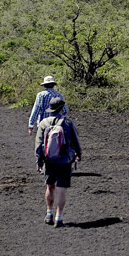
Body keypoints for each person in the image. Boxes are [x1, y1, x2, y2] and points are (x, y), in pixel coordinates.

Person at [34, 97, 82, 228]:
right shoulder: (68, 122)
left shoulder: (43, 123)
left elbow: (38, 145)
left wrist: (39, 162)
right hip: (65, 160)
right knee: (61, 188)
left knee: (50, 186)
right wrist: (79, 154)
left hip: (49, 160)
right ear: (62, 108)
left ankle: (49, 214)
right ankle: (58, 218)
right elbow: (76, 141)